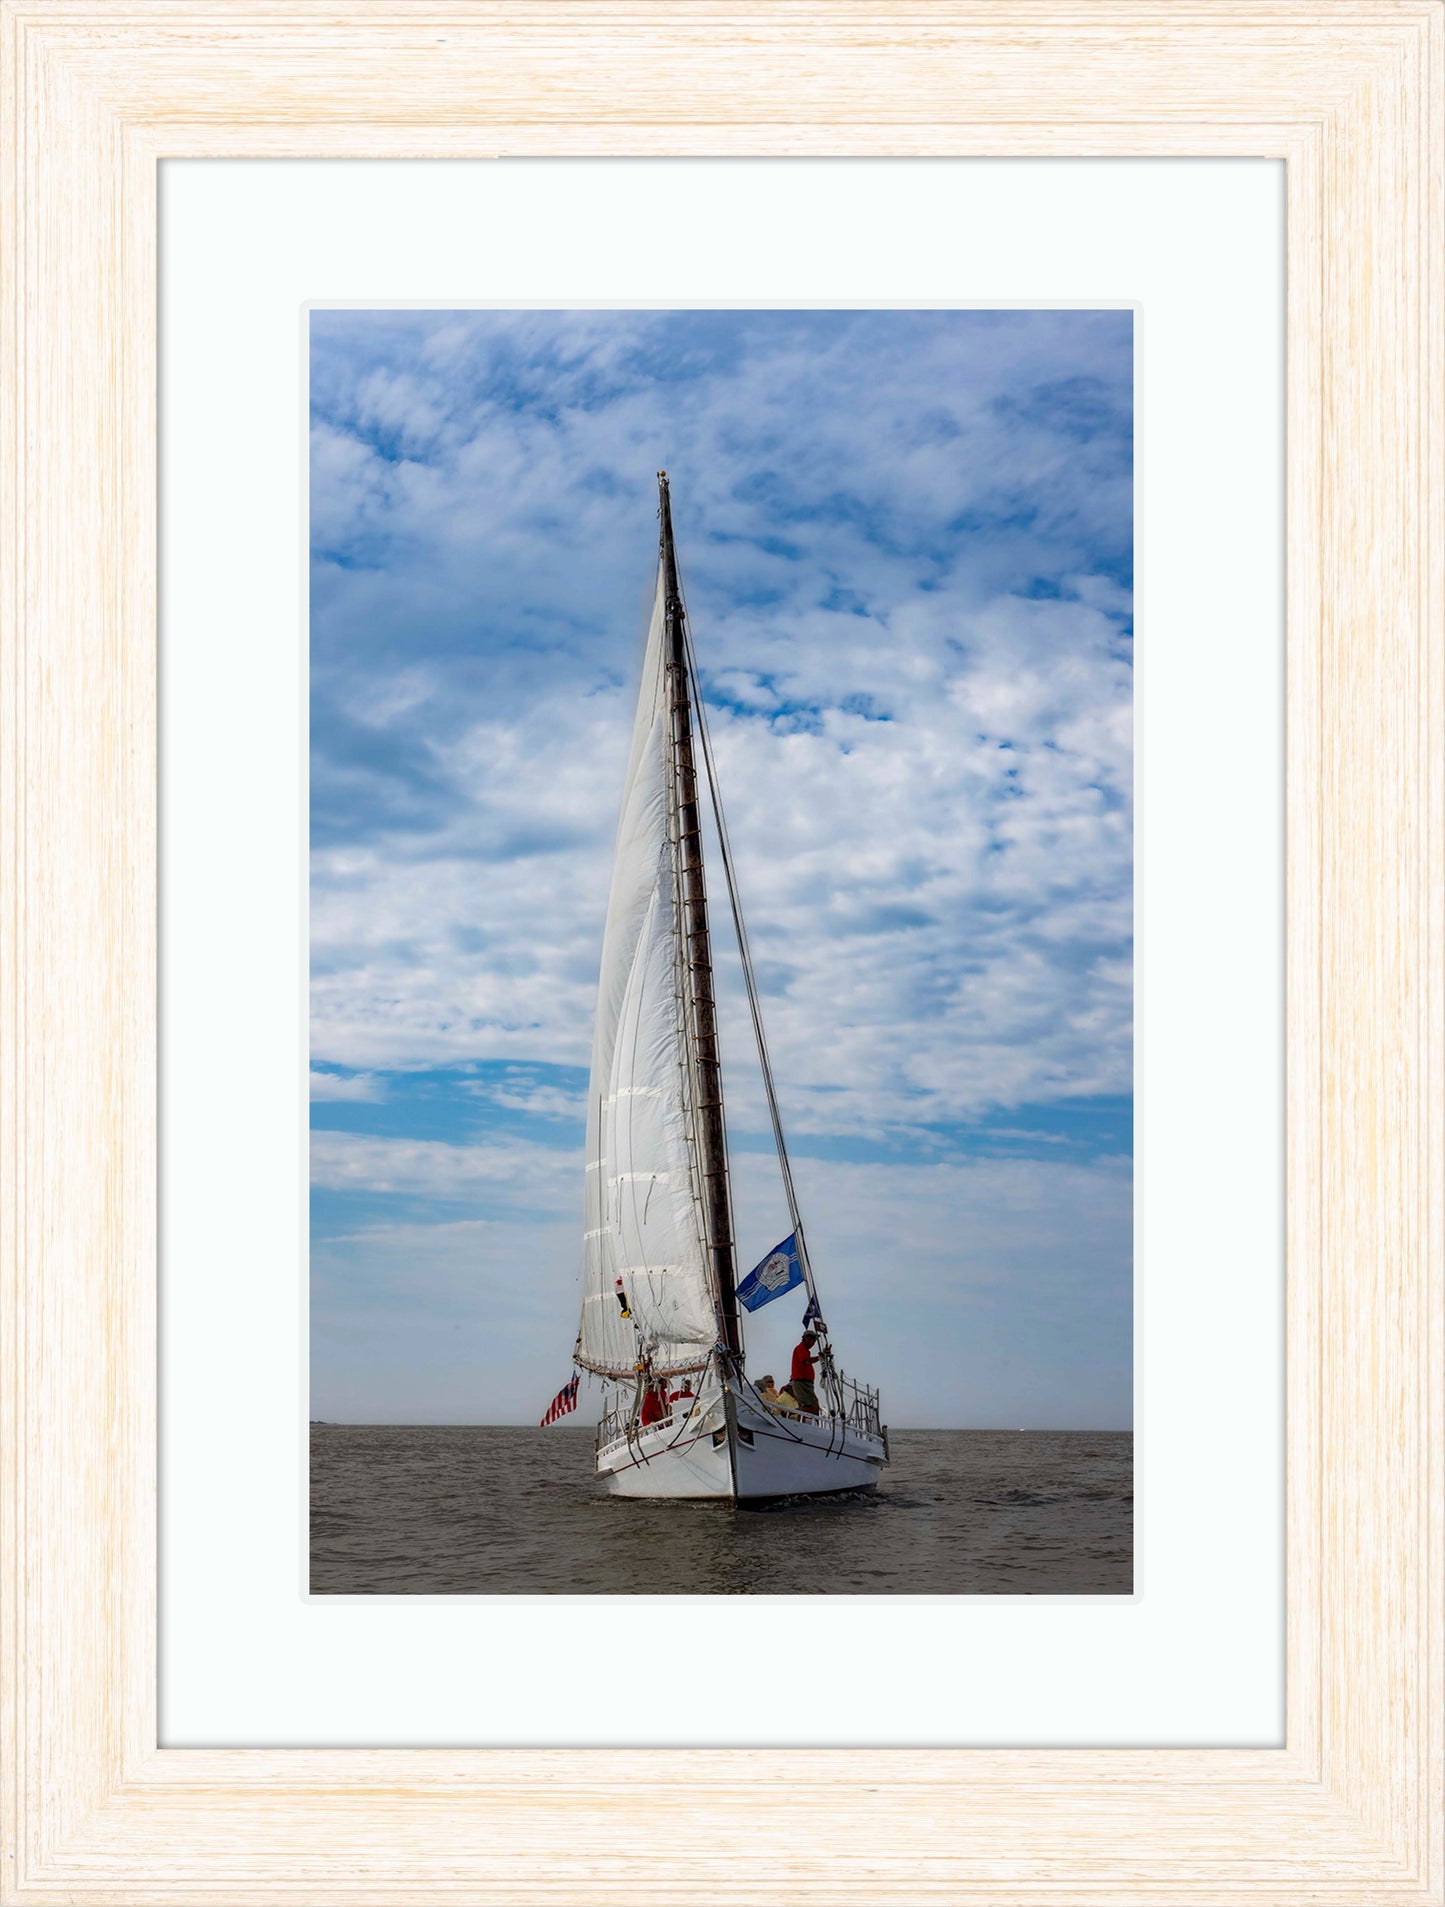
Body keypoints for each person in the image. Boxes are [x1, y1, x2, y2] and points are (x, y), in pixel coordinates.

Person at [787, 1331, 822, 1414]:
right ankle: (791, 1413)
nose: (814, 1342)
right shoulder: (800, 1348)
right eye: (812, 1338)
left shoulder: (804, 1350)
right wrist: (820, 1357)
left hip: (804, 1383)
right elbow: (807, 1361)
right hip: (802, 1383)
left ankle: (798, 1420)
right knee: (814, 1408)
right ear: (806, 1338)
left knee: (805, 1406)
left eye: (815, 1340)